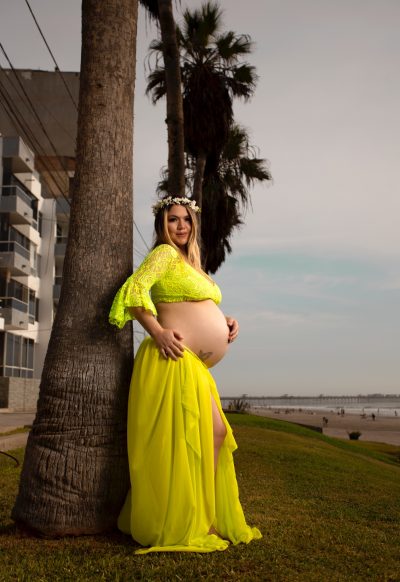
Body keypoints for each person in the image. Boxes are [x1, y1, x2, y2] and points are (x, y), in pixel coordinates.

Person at [109, 195, 261, 554]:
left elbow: (194, 305)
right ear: (163, 224)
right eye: (173, 219)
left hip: (192, 366)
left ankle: (201, 516)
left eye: (186, 220)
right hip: (171, 359)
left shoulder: (191, 263)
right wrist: (158, 331)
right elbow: (134, 292)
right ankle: (194, 521)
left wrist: (225, 322)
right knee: (190, 440)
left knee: (213, 434)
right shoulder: (162, 254)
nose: (181, 226)